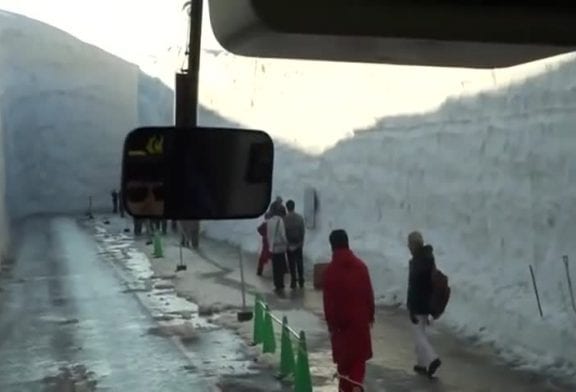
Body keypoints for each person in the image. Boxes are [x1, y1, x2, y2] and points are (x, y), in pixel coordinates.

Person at [323, 229, 374, 392]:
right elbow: (368, 294)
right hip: (360, 323)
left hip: (340, 327)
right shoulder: (361, 267)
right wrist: (370, 315)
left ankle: (347, 388)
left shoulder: (330, 272)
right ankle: (356, 386)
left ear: (332, 247)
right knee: (359, 361)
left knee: (344, 366)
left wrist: (331, 324)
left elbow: (328, 303)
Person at [407, 231, 442, 378]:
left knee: (419, 334)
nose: (408, 246)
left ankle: (432, 358)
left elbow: (414, 287)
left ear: (414, 245)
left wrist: (411, 308)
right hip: (426, 302)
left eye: (409, 243)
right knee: (419, 332)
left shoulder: (417, 262)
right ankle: (421, 364)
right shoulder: (428, 258)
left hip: (418, 304)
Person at [284, 200, 306, 288]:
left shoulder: (284, 219)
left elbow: (284, 232)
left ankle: (293, 280)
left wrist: (287, 243)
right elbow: (302, 231)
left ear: (287, 207)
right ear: (294, 206)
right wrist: (301, 242)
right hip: (298, 243)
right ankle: (301, 279)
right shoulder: (300, 218)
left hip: (289, 244)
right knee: (299, 262)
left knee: (291, 263)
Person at [266, 204, 288, 292]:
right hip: (280, 247)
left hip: (272, 247)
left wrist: (270, 245)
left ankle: (276, 283)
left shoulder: (269, 221)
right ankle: (281, 283)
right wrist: (287, 243)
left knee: (275, 267)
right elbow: (283, 235)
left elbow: (268, 235)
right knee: (281, 266)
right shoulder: (280, 221)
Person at [257, 212, 272, 276]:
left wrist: (263, 234)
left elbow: (258, 229)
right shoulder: (272, 224)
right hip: (271, 243)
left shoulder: (264, 224)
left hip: (265, 243)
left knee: (262, 258)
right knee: (274, 257)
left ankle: (259, 271)